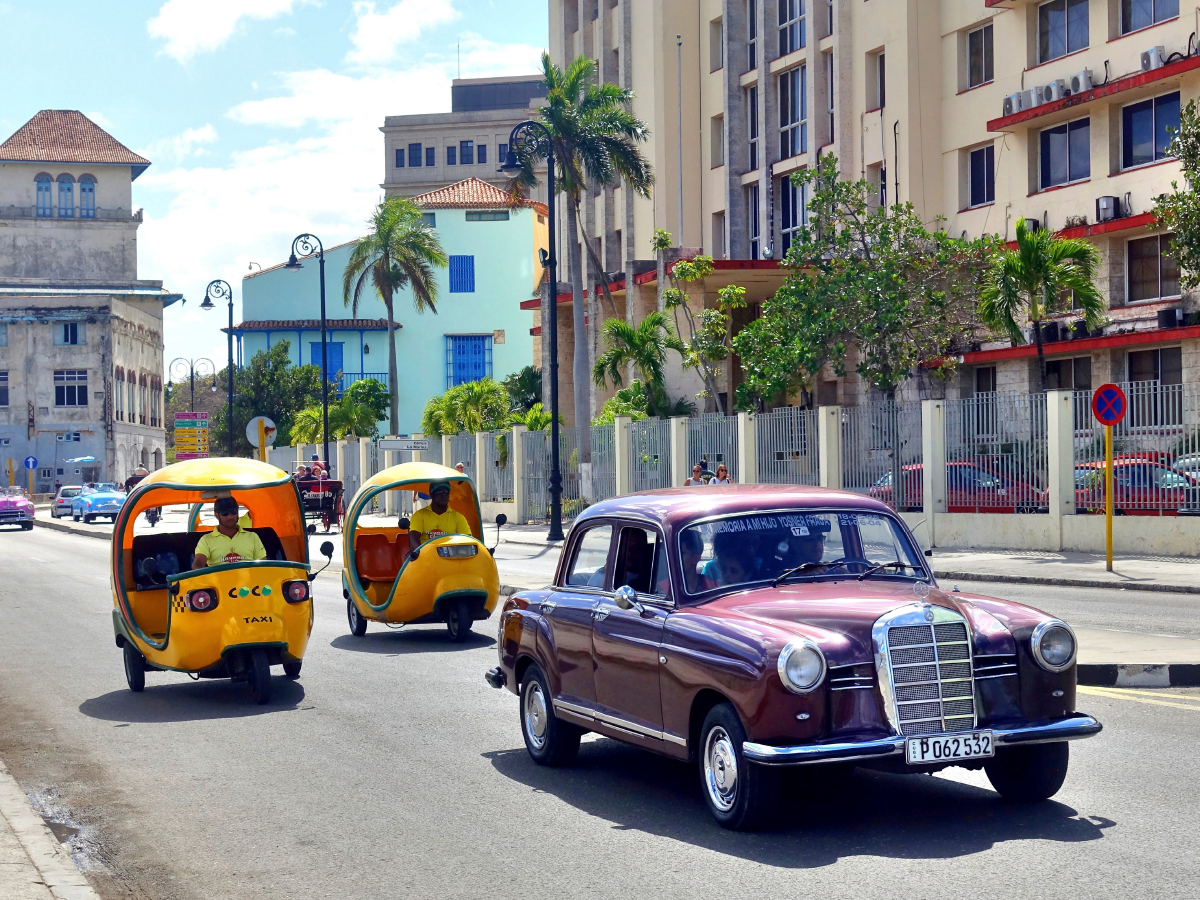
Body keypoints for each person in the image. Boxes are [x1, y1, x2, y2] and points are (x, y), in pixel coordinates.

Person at [191, 497, 266, 568]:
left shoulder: (253, 537)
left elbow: (263, 564)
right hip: (218, 581)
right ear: (216, 515)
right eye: (225, 513)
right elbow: (198, 563)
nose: (230, 516)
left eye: (233, 512)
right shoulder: (206, 540)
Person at [407, 480, 472, 553]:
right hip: (426, 558)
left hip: (451, 559)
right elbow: (413, 537)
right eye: (439, 492)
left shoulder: (458, 517)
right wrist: (420, 552)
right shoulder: (419, 515)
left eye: (446, 492)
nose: (443, 495)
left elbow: (467, 541)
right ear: (432, 494)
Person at [676, 528, 716, 594]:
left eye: (681, 553)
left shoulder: (712, 588)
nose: (676, 557)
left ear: (695, 558)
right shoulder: (664, 588)